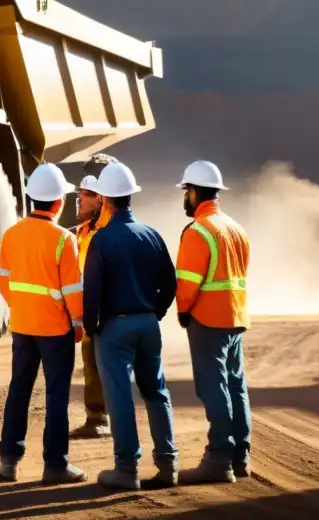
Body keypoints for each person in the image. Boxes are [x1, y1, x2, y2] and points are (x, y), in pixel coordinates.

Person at [82, 162, 179, 491]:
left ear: (105, 200)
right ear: (130, 198)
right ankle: (168, 464)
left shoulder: (102, 240)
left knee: (120, 395)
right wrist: (156, 313)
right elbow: (170, 283)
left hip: (115, 328)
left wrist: (93, 328)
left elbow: (92, 292)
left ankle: (127, 470)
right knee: (156, 391)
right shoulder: (152, 235)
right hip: (148, 324)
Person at [0, 162, 87, 484]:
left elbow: (2, 279)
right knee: (56, 396)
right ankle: (55, 465)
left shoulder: (12, 233)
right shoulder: (64, 239)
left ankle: (9, 462)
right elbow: (73, 288)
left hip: (22, 325)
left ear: (32, 199)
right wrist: (77, 321)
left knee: (18, 389)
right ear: (59, 203)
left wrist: (20, 306)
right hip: (55, 329)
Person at [174, 160, 252, 484]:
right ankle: (240, 458)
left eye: (185, 191)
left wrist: (182, 312)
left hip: (207, 319)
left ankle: (218, 460)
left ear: (193, 192)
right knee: (236, 387)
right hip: (235, 317)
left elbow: (188, 282)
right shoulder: (236, 228)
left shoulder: (198, 232)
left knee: (214, 388)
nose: (184, 198)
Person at [72, 170, 113, 438]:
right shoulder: (82, 232)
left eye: (84, 196)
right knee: (91, 365)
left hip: (108, 314)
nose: (79, 201)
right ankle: (96, 417)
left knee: (107, 366)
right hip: (89, 313)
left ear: (100, 199)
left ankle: (105, 420)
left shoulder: (111, 233)